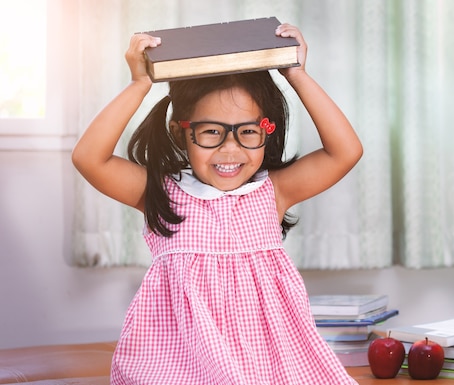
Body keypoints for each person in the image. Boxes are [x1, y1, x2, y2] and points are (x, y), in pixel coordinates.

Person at [72, 23, 362, 384]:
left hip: (267, 362)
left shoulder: (273, 191)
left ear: (266, 131)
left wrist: (297, 74)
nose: (230, 149)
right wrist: (139, 84)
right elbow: (89, 158)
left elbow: (346, 151)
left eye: (247, 131)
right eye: (211, 131)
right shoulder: (161, 191)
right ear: (182, 132)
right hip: (183, 362)